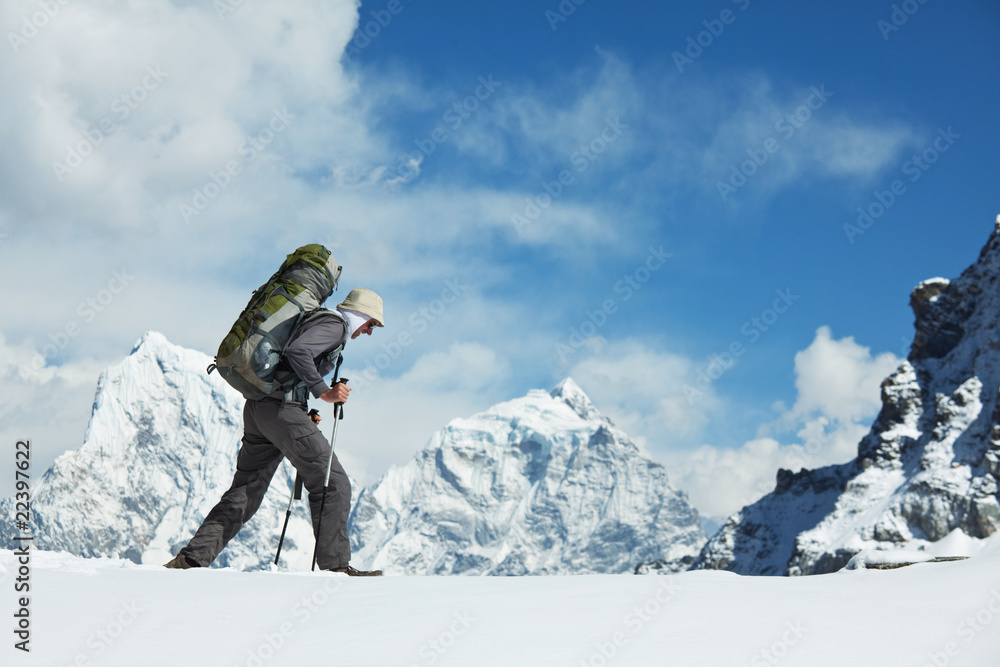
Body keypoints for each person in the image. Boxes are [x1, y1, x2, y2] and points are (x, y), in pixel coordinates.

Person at [165, 288, 385, 576]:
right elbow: (298, 352)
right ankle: (336, 568)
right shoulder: (335, 326)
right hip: (281, 410)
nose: (370, 332)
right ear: (361, 315)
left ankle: (191, 560)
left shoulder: (318, 320)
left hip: (261, 408)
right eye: (372, 324)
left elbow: (288, 364)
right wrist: (324, 393)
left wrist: (304, 408)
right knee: (334, 483)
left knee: (247, 488)